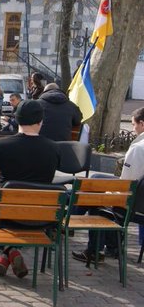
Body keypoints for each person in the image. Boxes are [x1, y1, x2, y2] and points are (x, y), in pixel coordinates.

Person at [0, 100, 61, 278]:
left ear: (16, 119)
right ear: (40, 122)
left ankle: (8, 250)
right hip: (42, 218)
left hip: (8, 216)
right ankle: (9, 253)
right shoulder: (54, 148)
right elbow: (50, 176)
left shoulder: (1, 145)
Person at [72, 107, 144, 263]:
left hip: (135, 205)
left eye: (133, 125)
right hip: (139, 200)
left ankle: (93, 249)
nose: (133, 128)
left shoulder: (139, 148)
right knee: (96, 182)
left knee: (96, 198)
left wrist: (108, 193)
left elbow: (125, 184)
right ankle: (112, 246)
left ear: (142, 124)